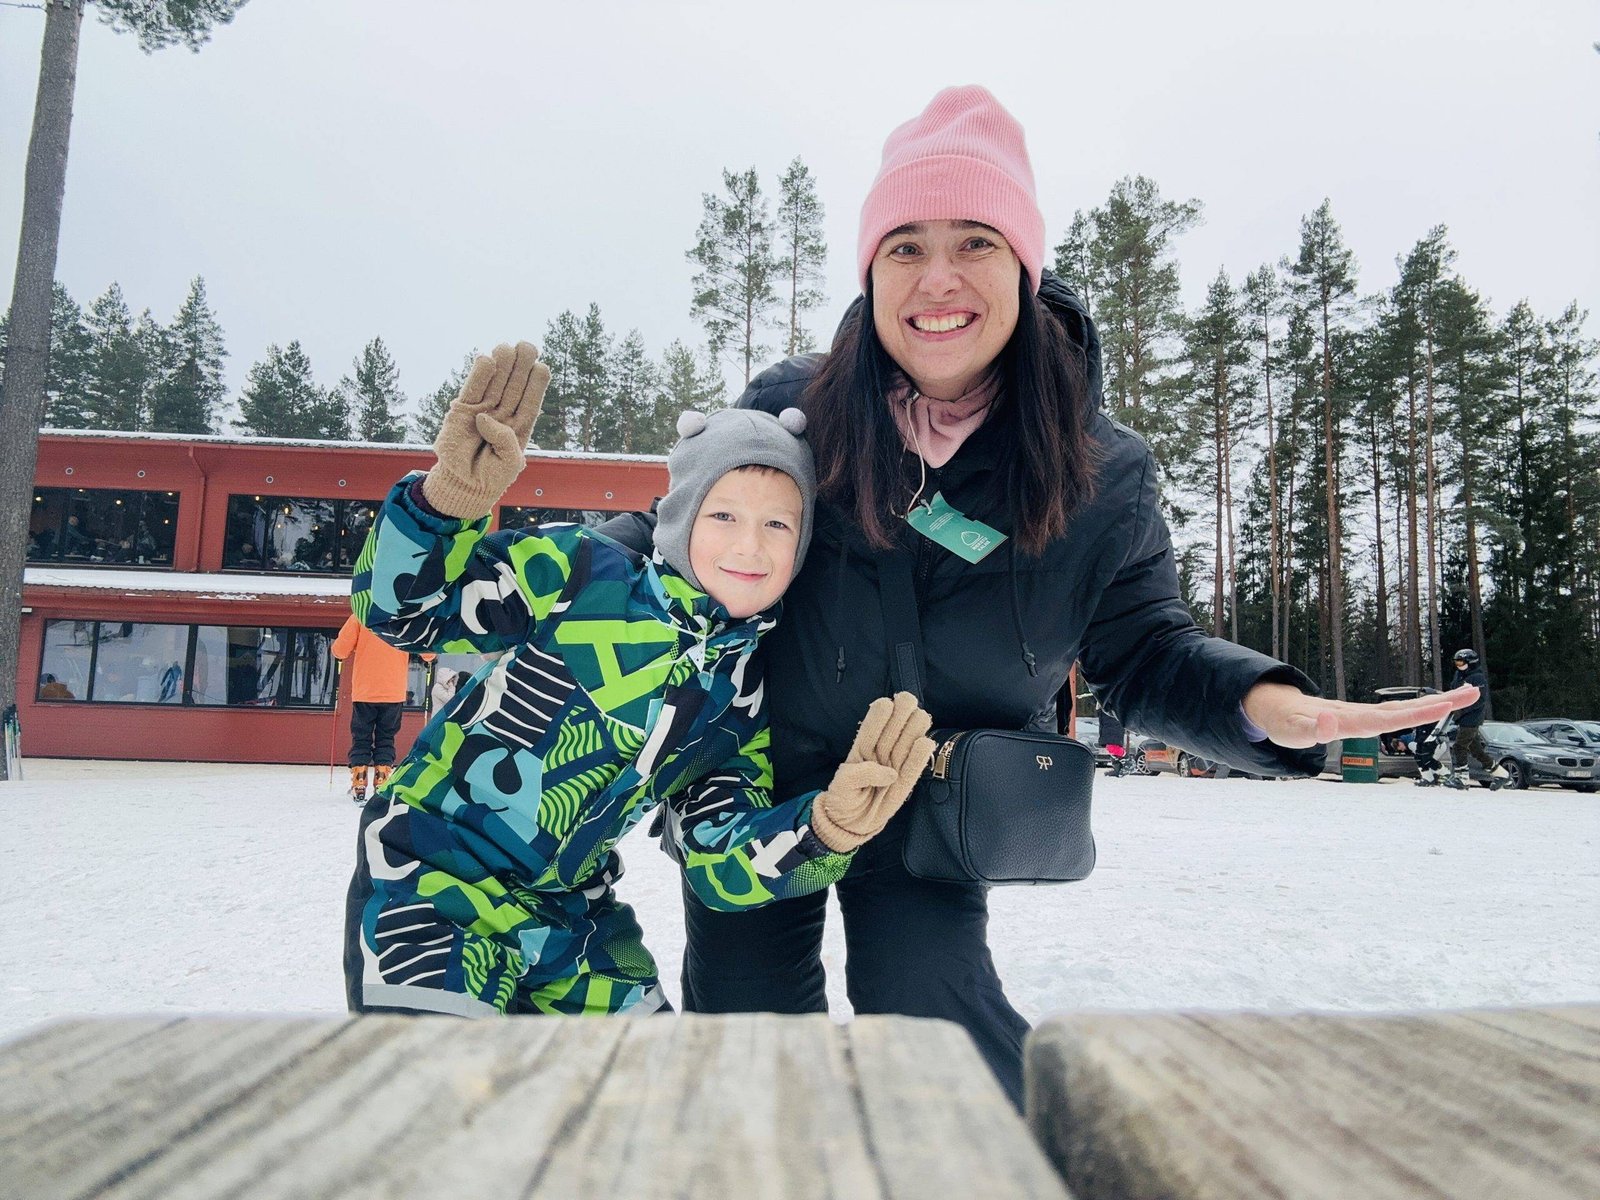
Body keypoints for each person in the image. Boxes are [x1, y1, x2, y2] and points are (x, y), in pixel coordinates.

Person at [601, 84, 1479, 1107]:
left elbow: (1145, 651)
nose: (937, 279)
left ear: (1021, 263)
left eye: (973, 241)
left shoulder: (1101, 473)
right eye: (904, 246)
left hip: (928, 806)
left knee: (927, 1010)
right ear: (870, 270)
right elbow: (684, 545)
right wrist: (519, 587)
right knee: (747, 1032)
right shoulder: (795, 408)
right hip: (754, 787)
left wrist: (1265, 703)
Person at [343, 342, 934, 1019]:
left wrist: (823, 830)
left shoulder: (741, 698)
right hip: (432, 880)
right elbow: (402, 612)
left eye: (779, 523)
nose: (750, 545)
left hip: (572, 918)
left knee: (654, 1094)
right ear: (681, 519)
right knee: (441, 1099)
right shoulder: (582, 574)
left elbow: (715, 856)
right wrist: (444, 505)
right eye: (724, 516)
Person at [332, 613, 434, 801]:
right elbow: (428, 652)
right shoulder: (405, 617)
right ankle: (382, 780)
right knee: (386, 738)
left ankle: (359, 782)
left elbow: (339, 651)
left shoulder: (361, 616)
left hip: (365, 691)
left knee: (361, 737)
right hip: (393, 692)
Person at [1447, 649, 1508, 790]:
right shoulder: (1459, 675)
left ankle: (1462, 778)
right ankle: (1501, 774)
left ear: (1470, 662)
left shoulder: (1478, 677)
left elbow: (1480, 700)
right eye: (1456, 662)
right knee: (1476, 750)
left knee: (1459, 746)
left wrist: (1462, 709)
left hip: (1472, 717)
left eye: (1461, 662)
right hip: (1461, 716)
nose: (1458, 665)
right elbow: (1454, 691)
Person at [1098, 707, 1131, 777]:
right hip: (1107, 724)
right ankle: (1118, 768)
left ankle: (1128, 761)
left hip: (1113, 723)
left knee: (1112, 747)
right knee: (1111, 747)